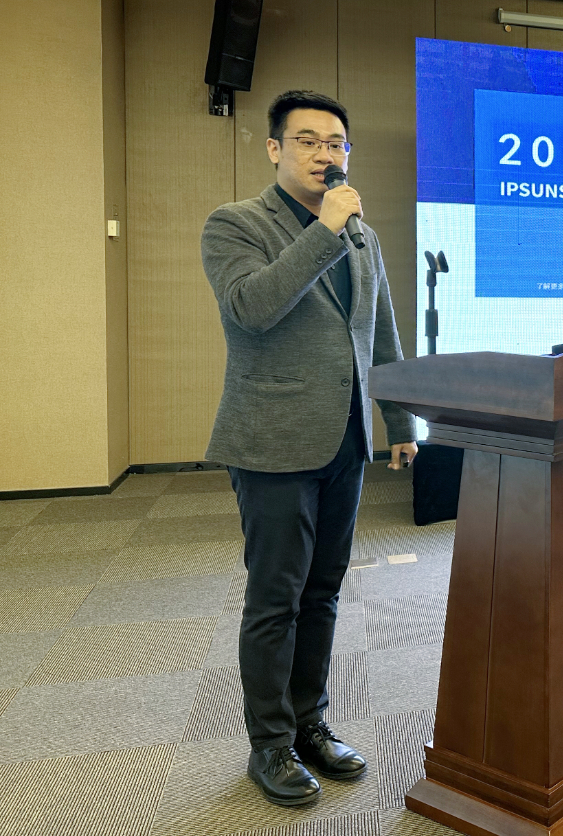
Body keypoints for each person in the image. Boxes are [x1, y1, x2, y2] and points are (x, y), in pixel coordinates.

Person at [201, 90, 418, 806]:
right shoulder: (235, 224)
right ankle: (268, 743)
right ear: (275, 148)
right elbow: (252, 308)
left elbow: (379, 330)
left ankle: (309, 724)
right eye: (308, 141)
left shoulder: (362, 235)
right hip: (271, 441)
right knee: (277, 597)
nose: (326, 154)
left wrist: (399, 422)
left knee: (323, 591)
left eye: (336, 143)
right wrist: (324, 230)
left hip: (344, 439)